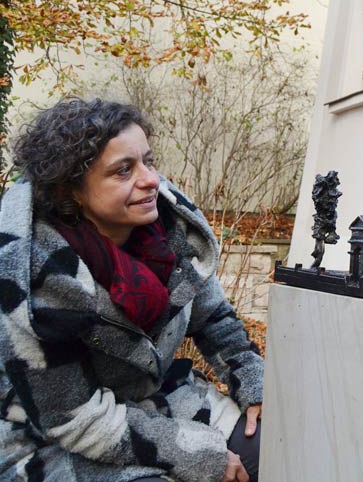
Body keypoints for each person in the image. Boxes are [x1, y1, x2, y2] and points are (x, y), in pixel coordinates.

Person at [0, 98, 264, 482]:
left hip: (156, 404)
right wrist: (194, 453)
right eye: (123, 171)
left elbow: (215, 320)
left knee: (269, 451)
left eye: (148, 161)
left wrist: (252, 384)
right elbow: (73, 420)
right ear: (70, 191)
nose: (151, 180)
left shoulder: (171, 235)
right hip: (47, 435)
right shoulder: (35, 278)